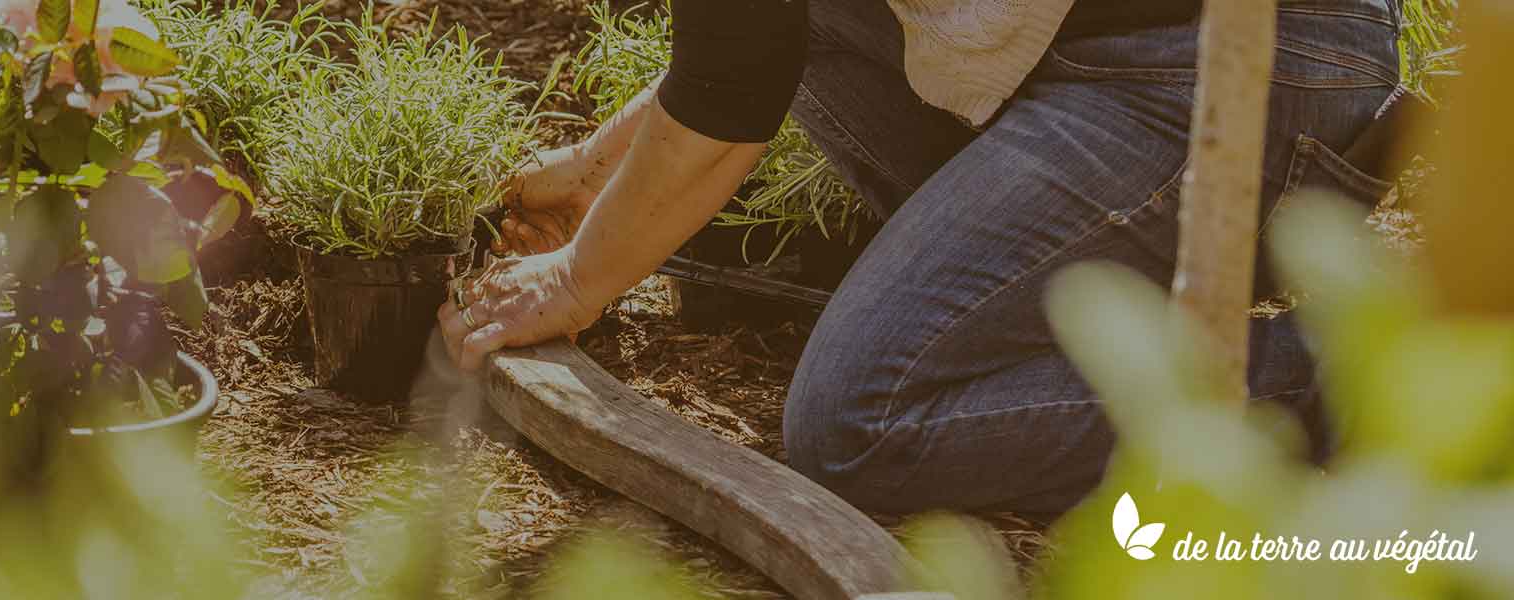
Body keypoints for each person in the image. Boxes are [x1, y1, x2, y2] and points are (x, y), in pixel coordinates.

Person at [437, 0, 1402, 516]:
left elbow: (726, 104)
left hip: (1237, 71)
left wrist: (576, 277)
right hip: (1122, 49)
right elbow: (755, 43)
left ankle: (1353, 377)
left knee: (862, 420)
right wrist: (593, 177)